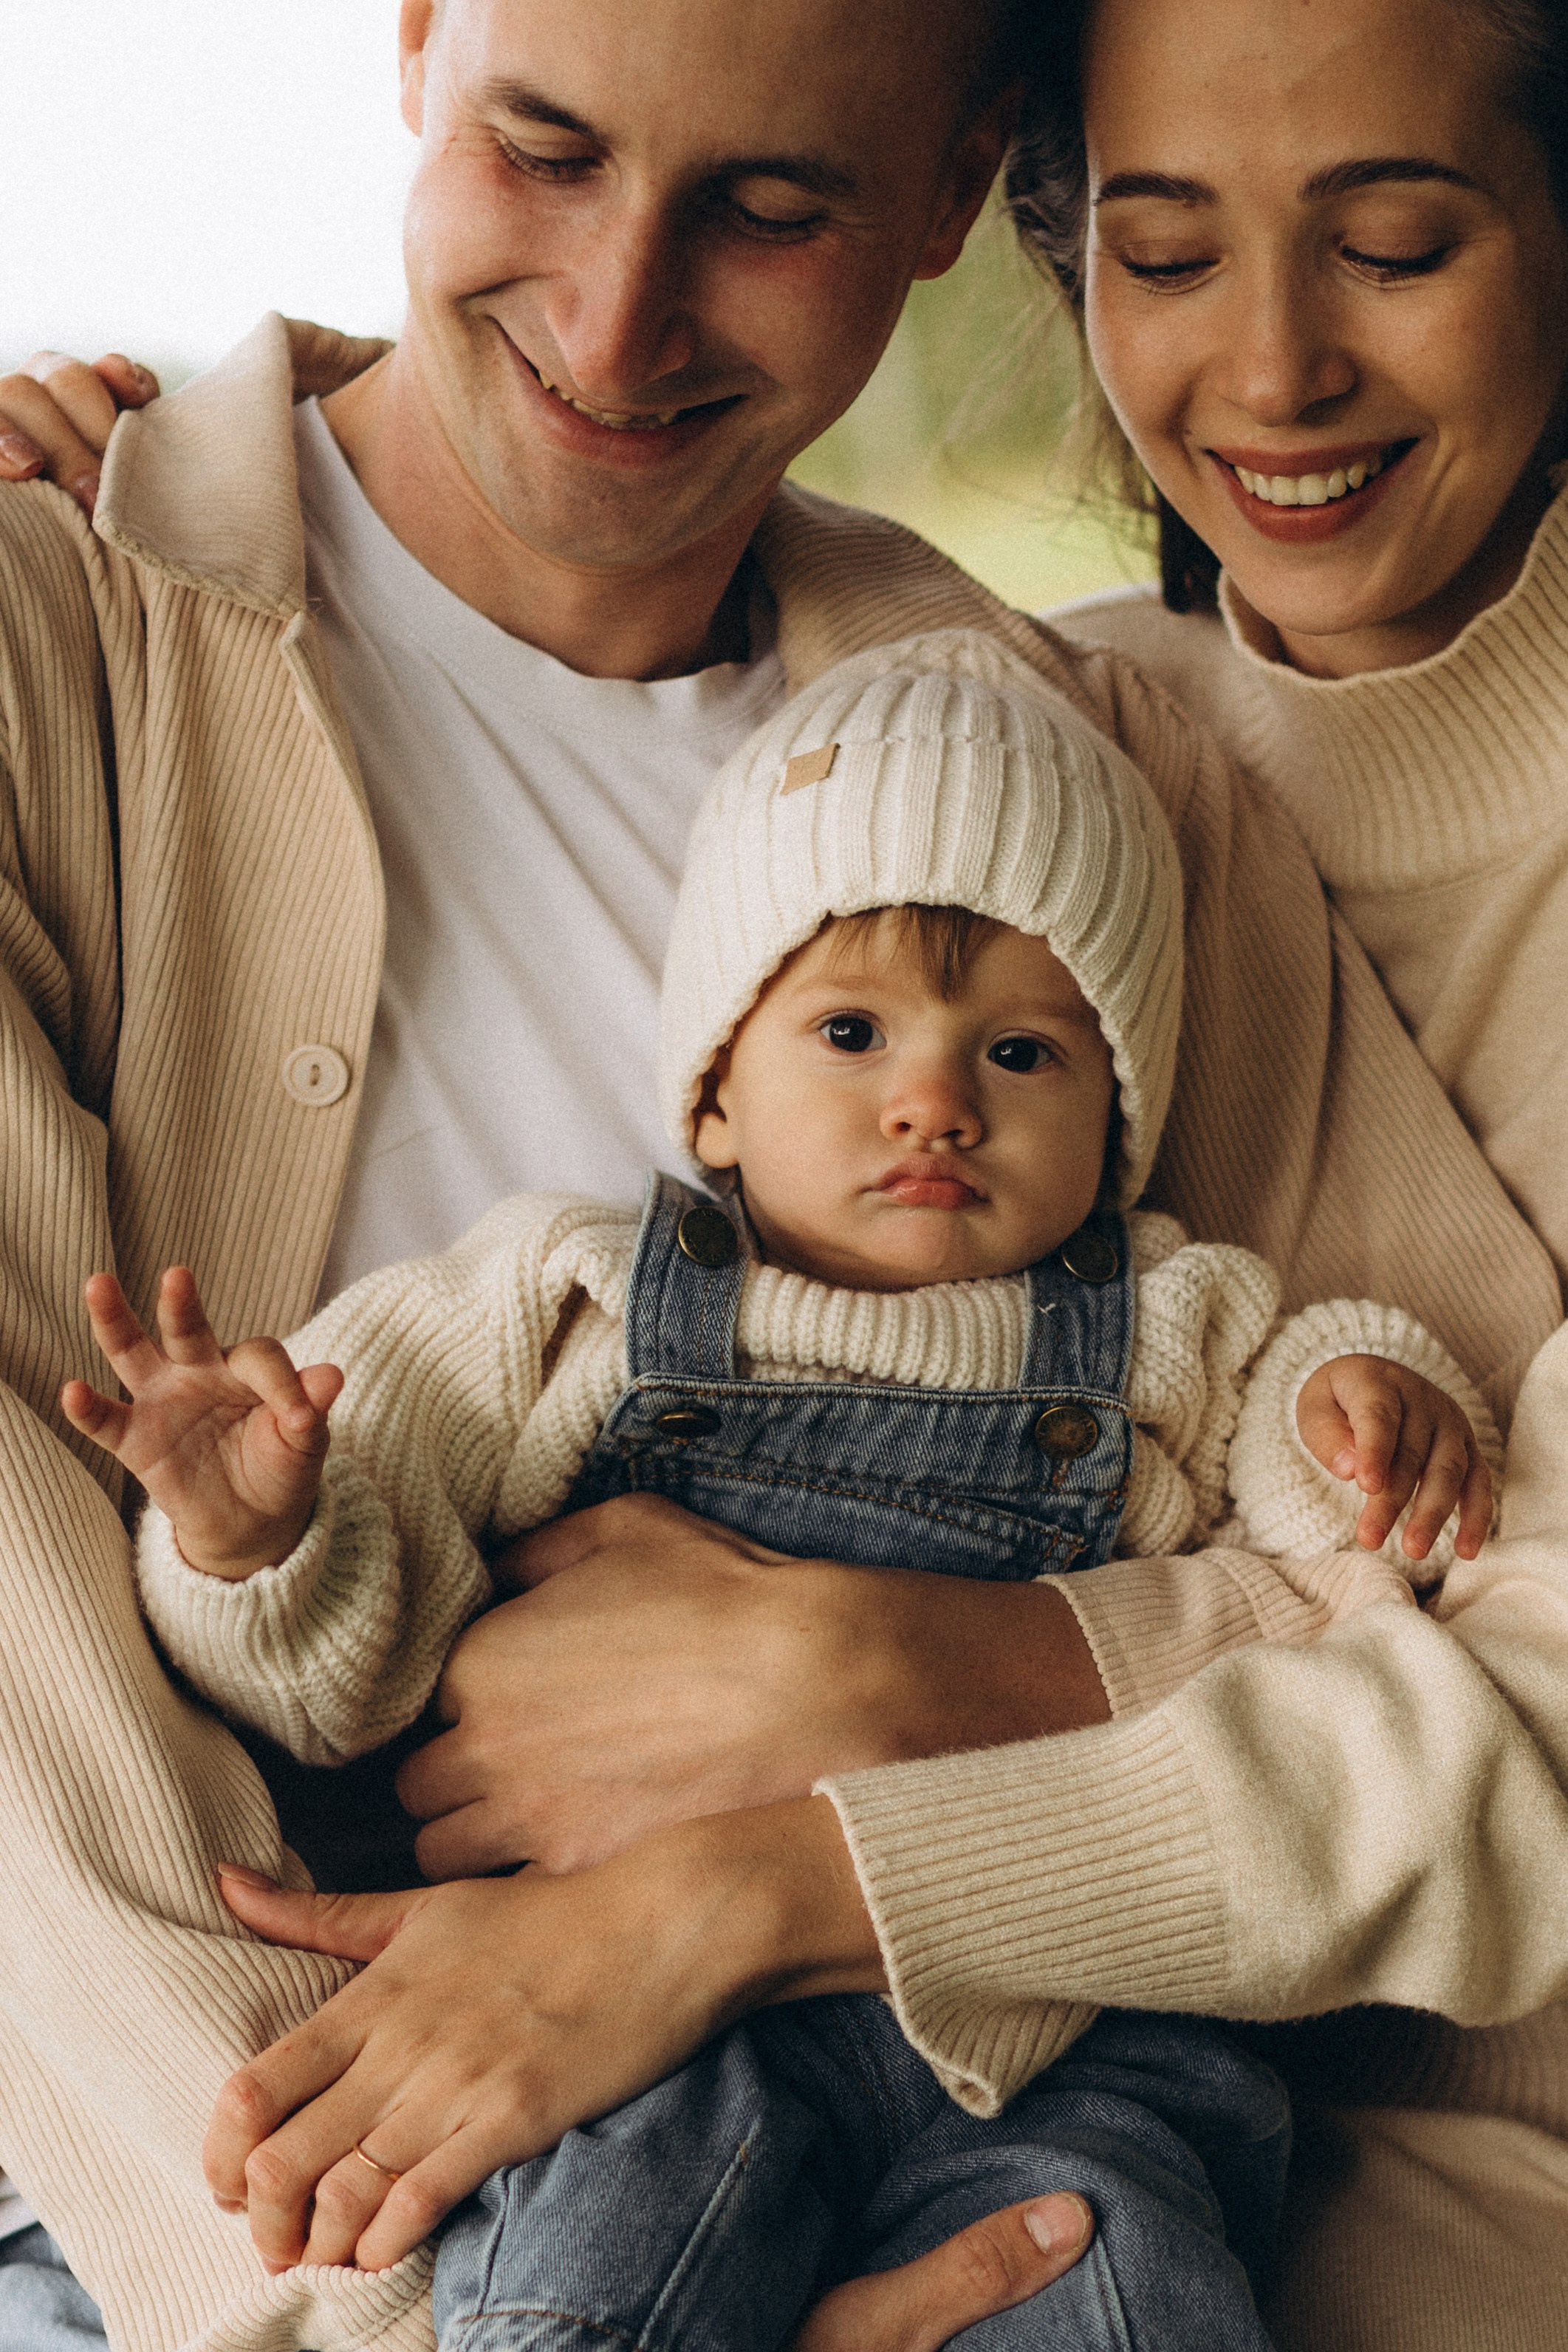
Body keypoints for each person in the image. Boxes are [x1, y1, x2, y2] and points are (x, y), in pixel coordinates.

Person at [0, 2, 1564, 2349]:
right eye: (540, 148)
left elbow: (1440, 1592)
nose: (619, 319)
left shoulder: (1063, 751)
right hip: (220, 2237)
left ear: (948, 199)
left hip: (977, 2151)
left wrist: (880, 1681)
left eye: (769, 206)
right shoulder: (56, 644)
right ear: (417, 43)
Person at [66, 648, 1493, 2343]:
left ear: (1120, 1119)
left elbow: (1334, 1553)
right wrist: (257, 1536)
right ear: (718, 1090)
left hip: (1060, 2026)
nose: (935, 1099)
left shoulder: (1175, 1322)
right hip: (643, 2035)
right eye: (850, 1029)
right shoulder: (565, 1297)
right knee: (598, 2251)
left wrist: (1368, 1409)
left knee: (1126, 2260)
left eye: (1026, 1052)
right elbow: (349, 1678)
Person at [999, 0, 1568, 2340]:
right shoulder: (1031, 736)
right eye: (1160, 253)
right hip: (1078, 2162)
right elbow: (565, 552)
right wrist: (245, 457)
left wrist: (847, 1756)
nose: (1267, 368)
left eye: (1392, 243)